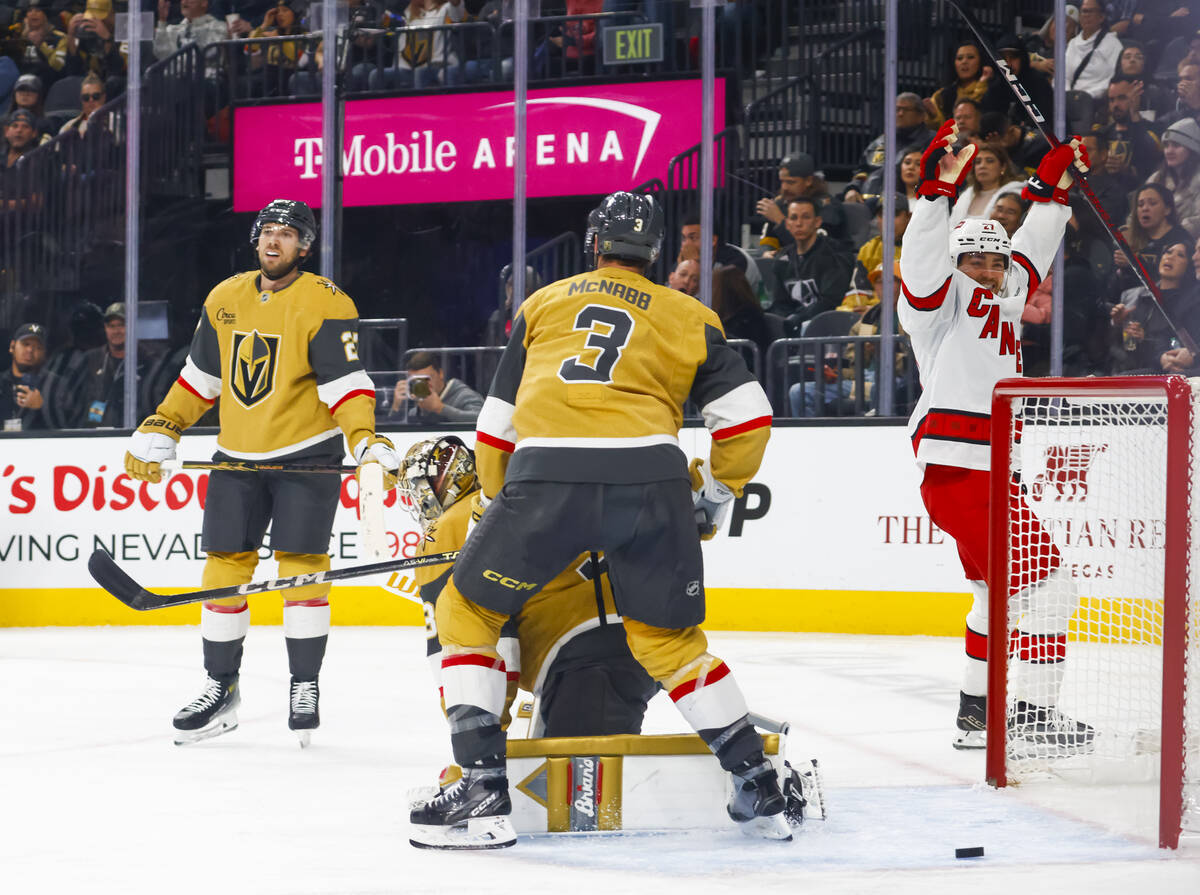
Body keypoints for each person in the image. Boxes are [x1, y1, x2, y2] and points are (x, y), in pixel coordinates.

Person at [408, 191, 786, 849]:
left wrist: (501, 505)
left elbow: (495, 428)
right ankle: (756, 779)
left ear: (593, 244)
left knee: (467, 612)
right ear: (657, 252)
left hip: (548, 476)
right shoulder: (690, 313)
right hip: (654, 478)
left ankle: (483, 790)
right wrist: (717, 492)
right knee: (670, 644)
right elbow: (749, 415)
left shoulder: (543, 303)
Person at [121, 199, 400, 747]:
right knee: (223, 569)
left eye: (288, 234)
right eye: (267, 231)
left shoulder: (325, 303)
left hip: (306, 456)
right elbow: (201, 378)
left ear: (305, 246)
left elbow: (347, 385)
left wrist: (364, 439)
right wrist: (165, 423)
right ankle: (220, 687)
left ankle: (304, 684)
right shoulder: (225, 298)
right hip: (237, 456)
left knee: (302, 570)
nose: (274, 241)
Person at [897, 120, 1095, 751]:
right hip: (957, 467)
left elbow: (1030, 255)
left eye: (992, 259)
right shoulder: (936, 303)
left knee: (993, 592)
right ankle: (1033, 719)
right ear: (956, 262)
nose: (985, 268)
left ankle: (975, 715)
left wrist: (1051, 192)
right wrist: (934, 194)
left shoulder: (1005, 293)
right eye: (974, 259)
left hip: (989, 468)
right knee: (1050, 582)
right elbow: (924, 263)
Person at [398, 436, 657, 753]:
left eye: (421, 487)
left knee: (577, 790)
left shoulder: (449, 529)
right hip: (641, 639)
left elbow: (469, 650)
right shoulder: (523, 493)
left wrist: (481, 747)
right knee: (562, 779)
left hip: (584, 658)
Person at [1109, 240, 1199, 371]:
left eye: (1180, 255)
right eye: (1168, 252)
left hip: (1162, 368)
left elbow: (1174, 342)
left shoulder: (1189, 302)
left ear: (1188, 266)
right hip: (1128, 366)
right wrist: (1117, 324)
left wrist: (1145, 339)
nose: (1170, 257)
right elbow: (1119, 347)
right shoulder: (1134, 295)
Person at [767, 196, 855, 329]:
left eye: (806, 217)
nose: (799, 223)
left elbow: (830, 301)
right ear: (787, 224)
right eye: (794, 218)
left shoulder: (834, 254)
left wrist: (797, 319)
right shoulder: (782, 259)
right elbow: (780, 303)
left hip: (826, 326)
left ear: (817, 222)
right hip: (793, 325)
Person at [1111, 183, 1193, 300]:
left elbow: (1171, 281)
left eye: (1152, 203)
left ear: (1167, 209)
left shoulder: (1180, 240)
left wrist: (1133, 263)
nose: (1145, 208)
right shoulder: (1131, 238)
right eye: (1140, 205)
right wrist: (1121, 271)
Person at [78, 302, 153, 428]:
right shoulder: (91, 360)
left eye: (121, 325)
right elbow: (80, 401)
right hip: (97, 435)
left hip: (138, 434)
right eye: (111, 326)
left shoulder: (149, 360)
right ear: (105, 329)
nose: (116, 331)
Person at [753, 152, 847, 252]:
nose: (784, 187)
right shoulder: (781, 203)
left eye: (791, 182)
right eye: (782, 181)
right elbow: (769, 239)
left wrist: (780, 220)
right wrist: (767, 252)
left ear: (808, 181)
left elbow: (816, 250)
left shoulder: (828, 207)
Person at [390, 350, 483, 425]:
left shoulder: (464, 396)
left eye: (426, 379)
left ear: (441, 374)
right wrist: (397, 408)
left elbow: (482, 420)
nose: (422, 385)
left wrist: (441, 409)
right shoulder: (414, 411)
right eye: (415, 381)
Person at [0, 322, 60, 431]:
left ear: (44, 353)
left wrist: (42, 406)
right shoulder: (2, 382)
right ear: (12, 346)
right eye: (25, 344)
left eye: (38, 347)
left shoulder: (54, 385)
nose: (30, 350)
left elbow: (67, 427)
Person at [680, 213, 761, 293]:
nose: (686, 244)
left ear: (713, 240)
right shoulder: (687, 260)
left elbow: (717, 298)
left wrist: (695, 265)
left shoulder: (735, 260)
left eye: (693, 238)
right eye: (684, 238)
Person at [1147, 118, 1200, 238]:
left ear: (1191, 149)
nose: (1169, 151)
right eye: (1166, 145)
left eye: (1176, 145)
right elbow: (1136, 212)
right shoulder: (1156, 178)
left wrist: (1170, 235)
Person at [951, 143, 1026, 224]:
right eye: (978, 162)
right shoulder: (966, 195)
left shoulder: (1014, 194)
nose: (982, 166)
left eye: (989, 161)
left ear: (1003, 167)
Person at [1065, 0, 1122, 100]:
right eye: (1083, 11)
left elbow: (1111, 80)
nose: (1086, 15)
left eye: (1090, 11)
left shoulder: (1113, 44)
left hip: (1095, 102)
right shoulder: (1073, 43)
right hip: (1068, 100)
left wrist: (1086, 97)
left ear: (1101, 17)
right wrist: (1067, 95)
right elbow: (1063, 76)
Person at [924, 41, 990, 127]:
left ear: (981, 61)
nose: (964, 62)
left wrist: (982, 84)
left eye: (970, 57)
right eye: (959, 58)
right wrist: (933, 117)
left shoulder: (991, 90)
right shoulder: (941, 95)